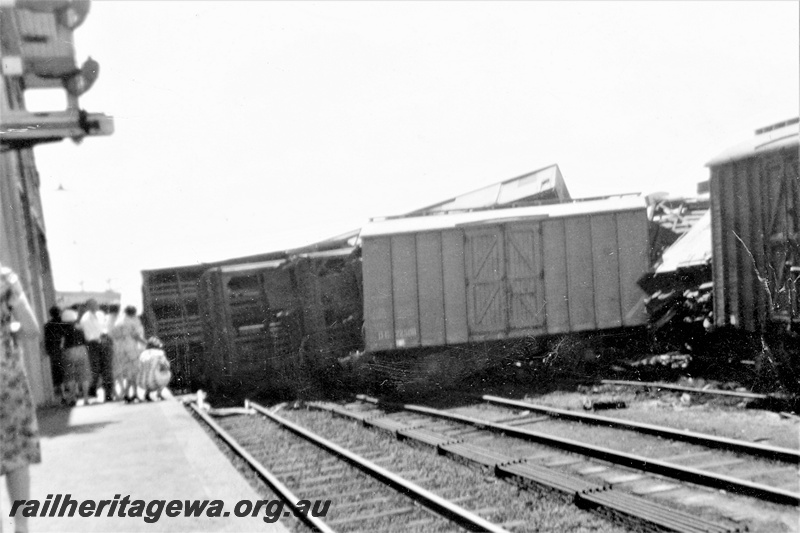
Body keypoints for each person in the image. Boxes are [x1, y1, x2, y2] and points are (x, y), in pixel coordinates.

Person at [0, 264, 42, 533]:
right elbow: (31, 329)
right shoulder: (4, 278)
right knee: (15, 456)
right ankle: (22, 528)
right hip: (7, 380)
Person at [79, 299, 113, 402]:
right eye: (93, 305)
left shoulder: (101, 314)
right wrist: (98, 339)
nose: (96, 306)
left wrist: (105, 338)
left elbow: (105, 327)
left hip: (104, 340)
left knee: (107, 368)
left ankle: (108, 394)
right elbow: (88, 334)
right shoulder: (85, 319)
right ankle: (93, 389)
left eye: (96, 304)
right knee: (95, 368)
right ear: (88, 307)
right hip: (93, 343)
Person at [109, 306, 146, 402]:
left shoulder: (117, 322)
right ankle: (130, 393)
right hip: (131, 348)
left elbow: (112, 335)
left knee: (126, 372)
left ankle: (131, 393)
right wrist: (145, 342)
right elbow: (136, 336)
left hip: (119, 349)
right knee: (134, 371)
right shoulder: (131, 322)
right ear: (133, 314)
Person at [61, 309, 91, 406]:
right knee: (84, 375)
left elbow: (61, 345)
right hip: (81, 350)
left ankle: (72, 398)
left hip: (69, 351)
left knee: (70, 375)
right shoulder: (80, 328)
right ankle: (86, 399)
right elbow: (86, 340)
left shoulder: (63, 331)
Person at [43, 305, 68, 403]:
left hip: (54, 351)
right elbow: (66, 336)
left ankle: (62, 395)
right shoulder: (63, 323)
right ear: (59, 312)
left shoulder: (47, 325)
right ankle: (74, 393)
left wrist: (48, 351)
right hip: (64, 349)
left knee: (58, 373)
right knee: (68, 371)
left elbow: (46, 340)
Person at [136, 337, 172, 401]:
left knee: (148, 373)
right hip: (154, 381)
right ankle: (159, 394)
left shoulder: (143, 354)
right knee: (167, 373)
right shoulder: (160, 353)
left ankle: (147, 393)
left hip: (141, 382)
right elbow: (166, 365)